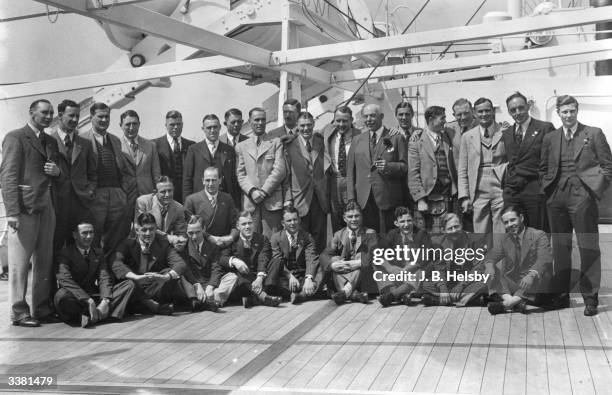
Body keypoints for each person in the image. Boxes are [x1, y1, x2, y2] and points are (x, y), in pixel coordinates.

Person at [540, 95, 612, 316]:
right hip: (556, 199)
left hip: (583, 198)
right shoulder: (550, 138)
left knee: (588, 247)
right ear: (558, 113)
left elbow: (608, 166)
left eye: (572, 111)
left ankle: (590, 298)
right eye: (564, 112)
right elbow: (543, 167)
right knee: (561, 249)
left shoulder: (594, 133)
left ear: (577, 111)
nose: (568, 115)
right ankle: (561, 296)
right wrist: (548, 190)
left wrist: (593, 191)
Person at [1, 99, 61, 327]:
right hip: (24, 209)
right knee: (19, 263)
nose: (48, 116)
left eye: (51, 113)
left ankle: (41, 308)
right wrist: (12, 212)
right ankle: (18, 311)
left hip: (47, 207)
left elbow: (55, 173)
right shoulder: (15, 137)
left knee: (44, 261)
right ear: (31, 113)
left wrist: (57, 172)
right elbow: (7, 176)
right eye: (44, 112)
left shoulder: (50, 141)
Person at [54, 222, 134, 327]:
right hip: (76, 297)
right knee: (61, 296)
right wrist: (88, 300)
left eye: (91, 232)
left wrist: (105, 300)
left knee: (128, 285)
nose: (89, 236)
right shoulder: (65, 254)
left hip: (94, 294)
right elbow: (65, 280)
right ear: (75, 235)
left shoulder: (98, 253)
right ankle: (101, 315)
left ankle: (92, 316)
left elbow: (104, 277)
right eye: (84, 233)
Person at [347, 103, 407, 233]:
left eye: (372, 116)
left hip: (388, 198)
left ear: (382, 116)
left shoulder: (396, 137)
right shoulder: (357, 140)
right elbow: (351, 172)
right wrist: (351, 198)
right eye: (366, 116)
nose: (368, 119)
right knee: (369, 238)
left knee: (389, 237)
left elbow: (404, 167)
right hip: (364, 199)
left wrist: (389, 167)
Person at [81, 102, 132, 255]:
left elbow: (122, 169)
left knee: (116, 237)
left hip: (116, 195)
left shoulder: (115, 140)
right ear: (91, 117)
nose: (104, 120)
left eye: (107, 116)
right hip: (96, 195)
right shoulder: (82, 140)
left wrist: (123, 191)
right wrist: (89, 192)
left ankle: (113, 274)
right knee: (94, 237)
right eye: (100, 116)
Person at [111, 213, 186, 315]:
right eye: (144, 230)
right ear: (137, 230)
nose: (148, 233)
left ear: (156, 229)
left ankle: (143, 304)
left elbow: (180, 263)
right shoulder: (128, 244)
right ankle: (150, 305)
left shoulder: (162, 244)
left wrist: (166, 277)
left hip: (153, 288)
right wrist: (136, 277)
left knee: (169, 272)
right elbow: (116, 263)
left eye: (151, 229)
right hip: (134, 286)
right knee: (129, 284)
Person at [484, 206, 553, 315]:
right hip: (513, 282)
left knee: (541, 272)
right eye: (506, 222)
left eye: (512, 220)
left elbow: (544, 258)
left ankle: (505, 305)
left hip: (532, 282)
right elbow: (492, 255)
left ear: (521, 218)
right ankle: (514, 302)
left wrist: (531, 275)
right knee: (489, 269)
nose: (510, 224)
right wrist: (489, 265)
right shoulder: (504, 239)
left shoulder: (539, 235)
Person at [458, 97, 509, 242]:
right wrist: (465, 196)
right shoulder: (468, 137)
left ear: (493, 111)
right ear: (474, 113)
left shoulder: (505, 131)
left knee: (502, 231)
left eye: (487, 110)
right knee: (480, 233)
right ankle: (482, 264)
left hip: (500, 187)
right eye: (480, 111)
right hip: (478, 189)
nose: (484, 114)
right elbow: (462, 169)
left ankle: (502, 264)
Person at [49, 99, 97, 251]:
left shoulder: (86, 144)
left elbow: (93, 174)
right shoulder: (48, 141)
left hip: (80, 203)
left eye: (77, 116)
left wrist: (90, 191)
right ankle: (53, 275)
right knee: (54, 244)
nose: (75, 120)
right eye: (71, 116)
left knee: (79, 246)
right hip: (56, 203)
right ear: (61, 115)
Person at [502, 92, 555, 231]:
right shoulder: (506, 134)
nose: (517, 112)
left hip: (535, 189)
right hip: (513, 191)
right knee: (514, 231)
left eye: (521, 108)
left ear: (528, 107)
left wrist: (545, 187)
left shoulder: (544, 128)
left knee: (537, 231)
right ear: (508, 111)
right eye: (513, 110)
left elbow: (553, 161)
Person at [408, 105, 460, 234]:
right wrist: (420, 199)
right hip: (427, 198)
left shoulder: (448, 135)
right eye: (442, 118)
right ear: (431, 119)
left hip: (448, 196)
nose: (445, 121)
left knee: (449, 236)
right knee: (428, 240)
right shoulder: (416, 141)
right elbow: (413, 173)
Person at [235, 107, 286, 237]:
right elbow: (240, 174)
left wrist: (263, 192)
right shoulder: (241, 146)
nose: (260, 123)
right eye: (256, 120)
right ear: (250, 121)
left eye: (263, 120)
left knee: (273, 239)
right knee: (252, 239)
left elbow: (279, 170)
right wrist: (252, 191)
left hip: (272, 201)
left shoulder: (275, 142)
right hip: (251, 202)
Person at [283, 112, 329, 253]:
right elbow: (286, 176)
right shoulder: (289, 145)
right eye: (302, 125)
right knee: (301, 240)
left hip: (319, 198)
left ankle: (321, 271)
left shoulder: (320, 141)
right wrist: (288, 199)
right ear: (297, 126)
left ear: (314, 124)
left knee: (320, 239)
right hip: (300, 199)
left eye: (309, 125)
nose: (306, 128)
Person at [217, 210, 282, 307]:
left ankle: (255, 298)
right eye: (243, 224)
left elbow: (263, 258)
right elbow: (222, 258)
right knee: (238, 272)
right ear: (238, 226)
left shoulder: (262, 239)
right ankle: (263, 297)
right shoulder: (232, 240)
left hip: (260, 276)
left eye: (250, 223)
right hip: (243, 279)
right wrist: (234, 260)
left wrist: (260, 277)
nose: (247, 227)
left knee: (276, 261)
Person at [320, 201, 378, 305]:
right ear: (344, 218)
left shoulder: (370, 233)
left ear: (361, 217)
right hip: (344, 272)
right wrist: (333, 265)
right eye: (350, 217)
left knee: (362, 258)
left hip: (362, 278)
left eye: (357, 216)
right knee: (335, 259)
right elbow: (325, 254)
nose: (354, 219)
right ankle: (353, 294)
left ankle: (345, 292)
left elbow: (373, 255)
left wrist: (357, 263)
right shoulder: (338, 234)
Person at [425, 213, 489, 307]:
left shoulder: (474, 240)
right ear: (443, 230)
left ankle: (440, 300)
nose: (454, 230)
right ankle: (471, 299)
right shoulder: (438, 243)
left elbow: (478, 268)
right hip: (448, 283)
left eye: (456, 226)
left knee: (487, 282)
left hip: (468, 283)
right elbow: (439, 268)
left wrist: (462, 285)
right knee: (425, 284)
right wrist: (443, 287)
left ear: (461, 225)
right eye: (450, 228)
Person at [179, 216, 236, 311]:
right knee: (180, 276)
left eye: (197, 232)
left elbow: (216, 268)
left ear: (204, 229)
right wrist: (196, 285)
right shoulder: (183, 247)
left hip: (209, 283)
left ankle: (206, 301)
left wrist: (211, 286)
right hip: (193, 284)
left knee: (232, 277)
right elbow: (186, 269)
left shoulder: (212, 246)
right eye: (190, 233)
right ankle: (211, 302)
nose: (194, 237)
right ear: (186, 232)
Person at [377, 207, 431, 307]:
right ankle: (403, 295)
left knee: (422, 270)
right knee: (378, 265)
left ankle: (393, 295)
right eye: (402, 221)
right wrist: (389, 267)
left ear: (413, 221)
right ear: (396, 223)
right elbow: (379, 253)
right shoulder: (392, 234)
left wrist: (405, 270)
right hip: (397, 273)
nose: (406, 225)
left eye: (409, 220)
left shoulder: (422, 234)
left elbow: (423, 258)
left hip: (413, 273)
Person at [268, 207, 321, 304]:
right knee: (274, 276)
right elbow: (278, 261)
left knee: (321, 265)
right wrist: (289, 276)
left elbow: (311, 258)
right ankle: (308, 292)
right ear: (283, 223)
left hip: (302, 276)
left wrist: (309, 278)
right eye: (289, 220)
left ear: (299, 220)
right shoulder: (276, 238)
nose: (293, 223)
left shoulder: (307, 237)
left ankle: (301, 294)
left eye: (295, 219)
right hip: (285, 278)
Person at [183, 114, 238, 203]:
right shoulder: (193, 149)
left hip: (224, 203)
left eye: (215, 127)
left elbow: (234, 180)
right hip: (200, 203)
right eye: (209, 128)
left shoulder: (229, 150)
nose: (212, 131)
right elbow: (187, 180)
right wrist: (188, 207)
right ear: (203, 129)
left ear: (220, 127)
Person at [323, 106, 361, 232]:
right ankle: (339, 249)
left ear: (351, 120)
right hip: (334, 181)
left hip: (353, 182)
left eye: (345, 121)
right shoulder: (328, 134)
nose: (341, 124)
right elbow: (306, 135)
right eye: (338, 120)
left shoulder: (360, 135)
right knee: (336, 219)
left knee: (355, 218)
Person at [184, 167, 238, 248]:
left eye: (214, 180)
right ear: (203, 181)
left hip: (224, 244)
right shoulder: (191, 200)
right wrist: (210, 238)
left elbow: (235, 223)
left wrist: (230, 237)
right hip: (201, 245)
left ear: (220, 180)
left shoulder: (227, 198)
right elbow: (187, 227)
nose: (210, 184)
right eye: (207, 180)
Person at [118, 110, 161, 207]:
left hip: (147, 196)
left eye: (135, 124)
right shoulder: (116, 146)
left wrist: (157, 194)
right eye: (128, 124)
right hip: (125, 197)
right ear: (120, 125)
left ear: (139, 124)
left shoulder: (150, 145)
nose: (131, 128)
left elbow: (156, 173)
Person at [153, 110, 195, 204]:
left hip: (186, 195)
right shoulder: (155, 145)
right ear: (166, 125)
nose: (175, 127)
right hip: (165, 194)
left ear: (182, 125)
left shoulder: (191, 146)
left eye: (178, 124)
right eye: (172, 124)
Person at [134, 176, 186, 242]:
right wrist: (167, 237)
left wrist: (180, 242)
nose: (167, 195)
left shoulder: (179, 208)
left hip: (165, 246)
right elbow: (142, 228)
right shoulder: (143, 202)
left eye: (170, 191)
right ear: (155, 192)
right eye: (163, 192)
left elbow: (181, 233)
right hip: (143, 242)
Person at [220, 108, 248, 207]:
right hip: (225, 191)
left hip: (245, 191)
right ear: (225, 123)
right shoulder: (219, 142)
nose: (236, 124)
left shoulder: (249, 141)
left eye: (239, 122)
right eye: (233, 122)